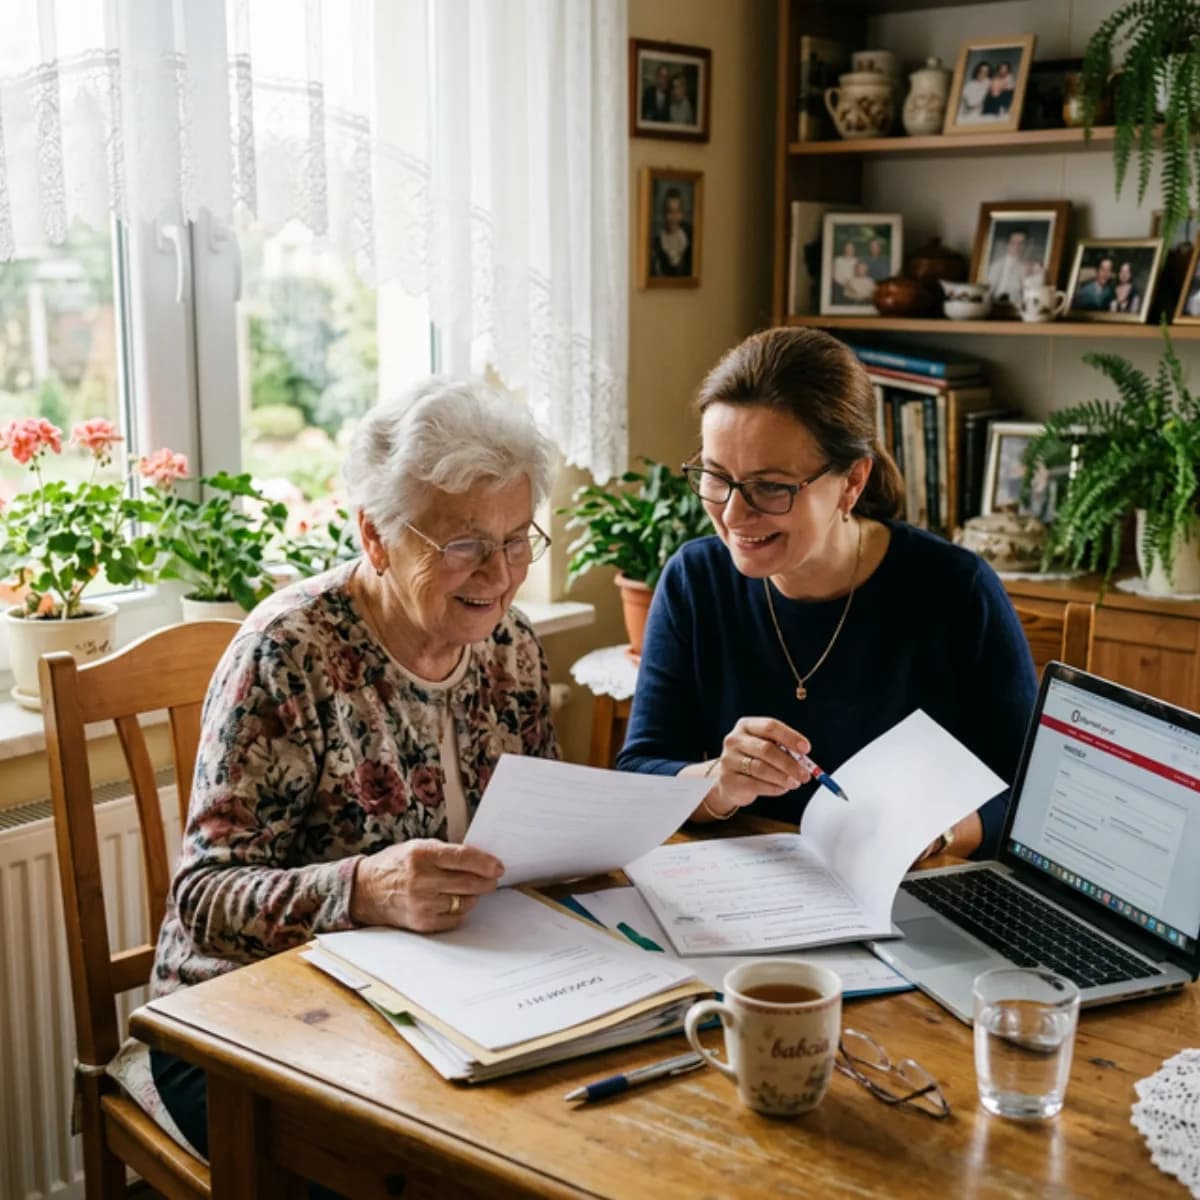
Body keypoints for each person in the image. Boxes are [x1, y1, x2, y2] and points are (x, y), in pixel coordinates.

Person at [148, 378, 559, 1161]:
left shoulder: (513, 646)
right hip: (244, 1024)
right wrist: (363, 890)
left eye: (516, 541)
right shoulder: (287, 652)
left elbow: (544, 823)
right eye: (465, 545)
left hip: (453, 999)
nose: (500, 574)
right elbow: (204, 899)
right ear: (375, 536)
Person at [617, 327, 1037, 865]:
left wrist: (940, 833)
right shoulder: (695, 581)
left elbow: (1028, 795)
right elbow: (641, 771)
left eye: (770, 486)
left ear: (852, 482)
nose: (732, 514)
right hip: (745, 895)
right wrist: (718, 783)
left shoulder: (956, 591)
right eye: (716, 477)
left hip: (909, 901)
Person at [650, 187, 693, 277]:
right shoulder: (658, 242)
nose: (673, 217)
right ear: (664, 214)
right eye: (670, 211)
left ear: (682, 214)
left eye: (677, 212)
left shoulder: (688, 239)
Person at [987, 228, 1030, 306]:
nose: (1016, 246)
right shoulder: (996, 265)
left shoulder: (1029, 267)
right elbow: (989, 291)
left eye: (1020, 243)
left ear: (1025, 246)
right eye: (1013, 243)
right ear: (1008, 244)